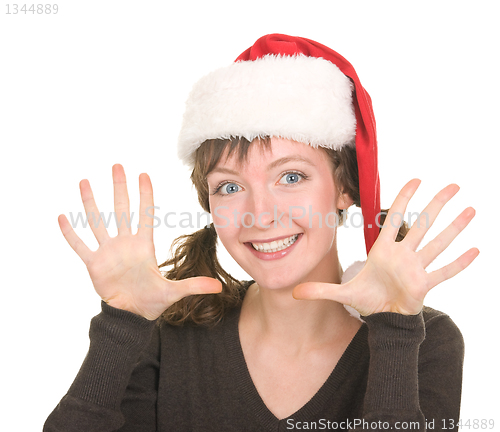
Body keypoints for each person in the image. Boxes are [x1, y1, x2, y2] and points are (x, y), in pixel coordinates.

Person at [44, 34, 478, 431]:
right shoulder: (167, 333)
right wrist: (122, 324)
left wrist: (394, 330)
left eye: (291, 177)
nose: (259, 216)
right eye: (230, 187)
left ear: (345, 188)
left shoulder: (424, 341)